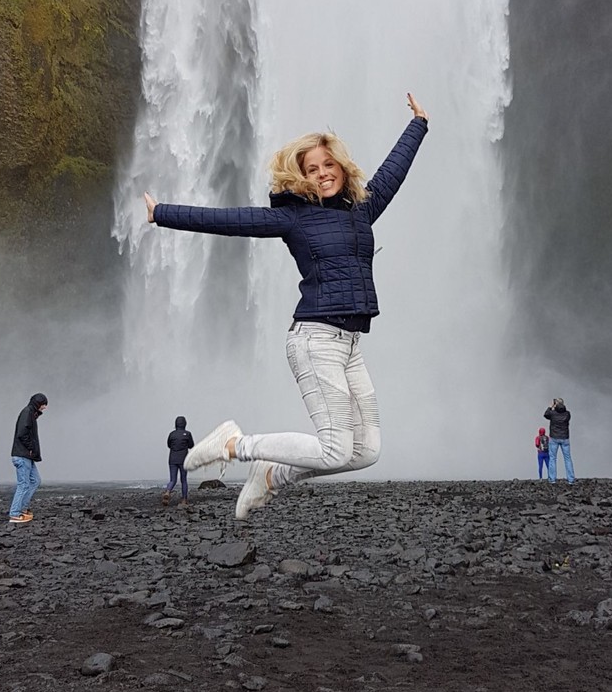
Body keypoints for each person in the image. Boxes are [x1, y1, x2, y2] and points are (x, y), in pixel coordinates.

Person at [144, 94, 428, 521]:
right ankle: (234, 444)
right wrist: (162, 213)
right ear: (301, 176)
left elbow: (393, 172)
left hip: (349, 343)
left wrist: (418, 124)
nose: (323, 173)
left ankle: (272, 475)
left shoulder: (361, 210)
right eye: (312, 169)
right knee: (335, 449)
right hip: (315, 339)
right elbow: (229, 221)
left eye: (328, 165)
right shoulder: (293, 218)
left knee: (366, 450)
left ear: (342, 167)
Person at [9, 393, 48, 523]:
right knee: (24, 484)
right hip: (22, 455)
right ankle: (15, 513)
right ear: (38, 403)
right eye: (43, 404)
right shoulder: (27, 413)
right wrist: (31, 448)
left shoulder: (31, 413)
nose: (44, 407)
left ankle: (23, 509)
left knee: (35, 481)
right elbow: (22, 433)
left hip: (26, 456)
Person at [163, 416, 195, 508]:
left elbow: (169, 445)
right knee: (183, 480)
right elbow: (191, 445)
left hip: (172, 459)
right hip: (183, 459)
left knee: (173, 480)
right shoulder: (187, 434)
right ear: (184, 424)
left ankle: (168, 491)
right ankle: (184, 499)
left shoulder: (172, 434)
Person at [543, 397, 575, 485]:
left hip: (554, 438)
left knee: (552, 458)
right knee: (567, 459)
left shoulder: (552, 414)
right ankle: (571, 479)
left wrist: (550, 407)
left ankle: (552, 479)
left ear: (556, 404)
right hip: (565, 438)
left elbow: (546, 415)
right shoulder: (567, 414)